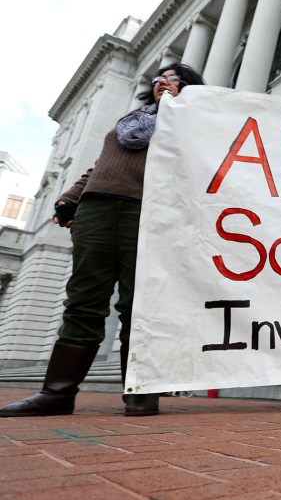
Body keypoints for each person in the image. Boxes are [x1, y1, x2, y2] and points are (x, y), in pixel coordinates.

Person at [0, 64, 206, 418]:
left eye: (173, 78)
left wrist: (176, 111)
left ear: (189, 87)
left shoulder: (193, 121)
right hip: (96, 209)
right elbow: (100, 165)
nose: (162, 82)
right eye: (159, 78)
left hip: (146, 212)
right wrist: (71, 196)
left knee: (138, 303)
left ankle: (141, 392)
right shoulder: (131, 120)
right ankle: (57, 393)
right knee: (83, 299)